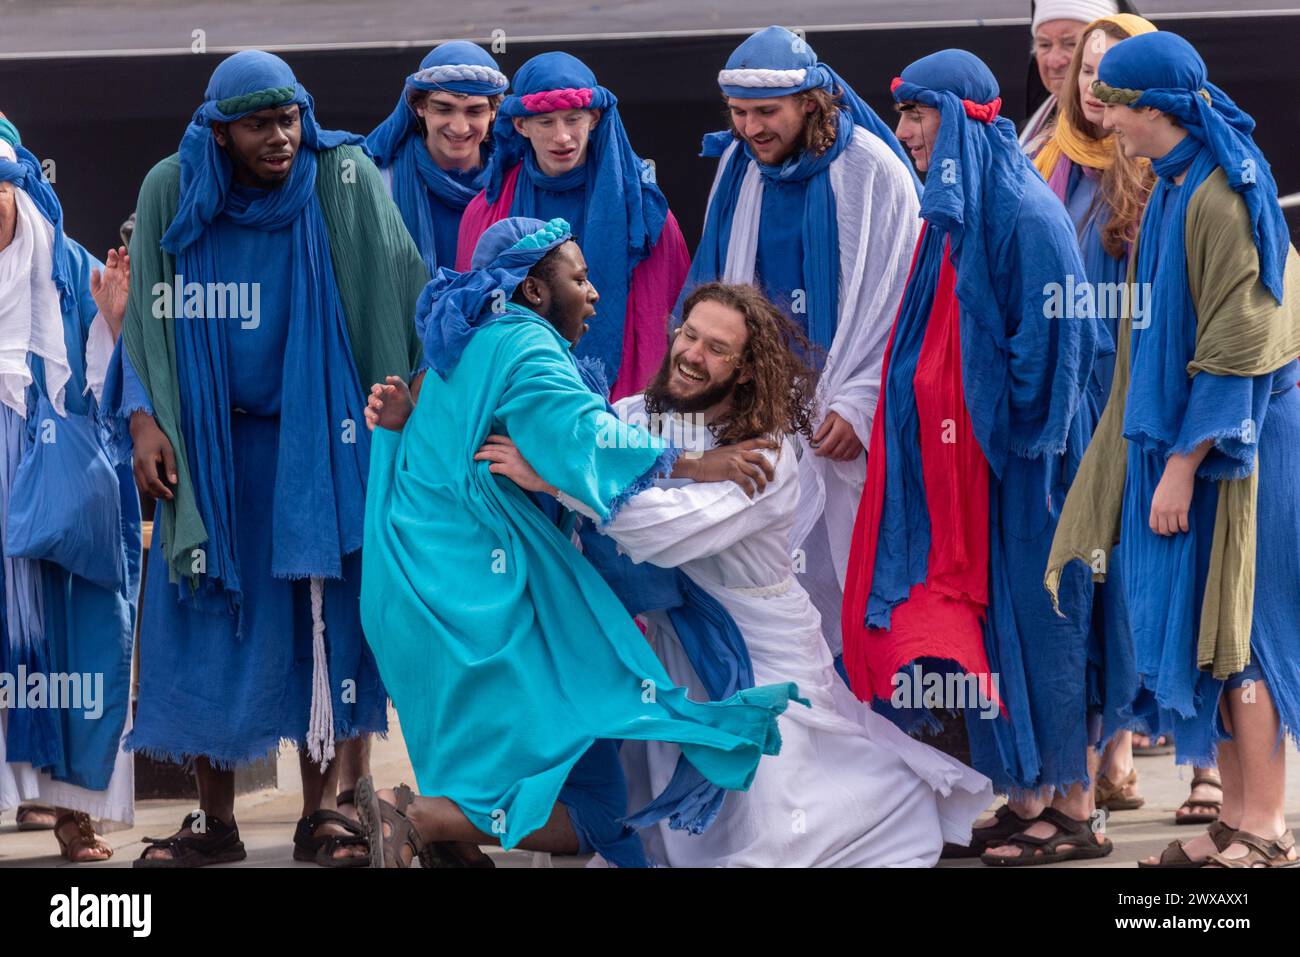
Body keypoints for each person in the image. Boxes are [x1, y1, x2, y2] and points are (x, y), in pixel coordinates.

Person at [487, 281, 993, 866]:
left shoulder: (765, 457)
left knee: (782, 829)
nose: (692, 355)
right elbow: (583, 443)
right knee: (653, 823)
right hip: (672, 650)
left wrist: (554, 480)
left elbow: (658, 527)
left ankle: (895, 801)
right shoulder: (634, 415)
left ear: (748, 369)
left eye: (716, 349)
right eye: (689, 335)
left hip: (760, 653)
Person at [355, 217, 802, 868]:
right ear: (535, 291)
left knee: (525, 768)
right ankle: (416, 815)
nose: (594, 293)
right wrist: (703, 463)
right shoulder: (527, 347)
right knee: (599, 808)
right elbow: (589, 439)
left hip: (413, 595)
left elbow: (418, 433)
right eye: (580, 277)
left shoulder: (459, 346)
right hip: (480, 609)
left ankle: (443, 830)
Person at [115, 50, 427, 867]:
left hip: (319, 443)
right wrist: (144, 419)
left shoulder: (340, 179)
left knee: (317, 621)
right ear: (219, 135)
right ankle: (213, 823)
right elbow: (147, 309)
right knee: (207, 624)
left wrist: (405, 408)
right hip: (209, 449)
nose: (281, 137)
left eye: (289, 119)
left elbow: (400, 284)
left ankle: (320, 813)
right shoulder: (171, 190)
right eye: (259, 125)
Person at [840, 49, 1109, 866]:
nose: (908, 132)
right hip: (990, 467)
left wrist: (1012, 448)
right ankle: (1029, 794)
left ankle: (1078, 808)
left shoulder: (1026, 214)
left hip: (1035, 463)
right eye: (904, 116)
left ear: (958, 118)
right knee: (1005, 631)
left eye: (920, 115)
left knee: (1050, 622)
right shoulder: (958, 208)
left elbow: (1057, 357)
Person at [1047, 31, 1300, 868]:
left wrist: (1184, 465)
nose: (1103, 118)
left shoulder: (1222, 196)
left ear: (1152, 110)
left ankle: (1263, 826)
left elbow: (1240, 343)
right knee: (1210, 628)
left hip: (1241, 449)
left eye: (1114, 104)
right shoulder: (1176, 185)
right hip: (1202, 442)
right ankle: (1235, 815)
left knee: (1247, 630)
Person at [682, 25, 922, 657]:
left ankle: (873, 723)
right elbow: (723, 282)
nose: (752, 128)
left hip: (845, 415)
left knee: (852, 576)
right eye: (739, 114)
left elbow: (900, 299)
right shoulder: (741, 167)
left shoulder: (873, 169)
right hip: (765, 409)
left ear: (811, 102)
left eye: (767, 112)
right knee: (771, 581)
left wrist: (858, 401)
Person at [1031, 11, 1162, 820]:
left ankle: (1115, 750)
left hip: (1130, 407)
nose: (1085, 81)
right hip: (1069, 408)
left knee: (1124, 582)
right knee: (1078, 576)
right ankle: (1086, 758)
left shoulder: (1160, 173)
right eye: (1081, 65)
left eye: (1103, 68)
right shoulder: (1043, 156)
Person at [0, 128, 140, 861]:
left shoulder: (66, 272)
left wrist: (114, 324)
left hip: (53, 493)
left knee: (71, 646)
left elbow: (108, 389)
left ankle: (71, 815)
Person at [456, 52, 689, 402]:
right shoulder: (485, 211)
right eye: (546, 122)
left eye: (573, 119)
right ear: (521, 126)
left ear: (594, 118)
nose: (562, 137)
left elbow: (665, 313)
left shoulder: (644, 210)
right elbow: (472, 317)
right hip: (520, 396)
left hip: (625, 399)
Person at [366, 40, 508, 275]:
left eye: (475, 111)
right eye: (444, 108)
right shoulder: (382, 182)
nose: (460, 128)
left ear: (493, 112)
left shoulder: (511, 180)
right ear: (419, 107)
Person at [1020, 0, 1133, 153]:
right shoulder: (1028, 133)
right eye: (1044, 45)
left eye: (1071, 44)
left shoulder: (1146, 147)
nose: (1054, 61)